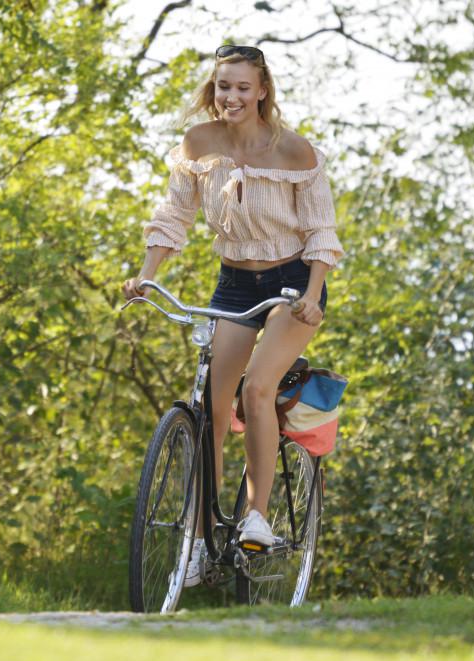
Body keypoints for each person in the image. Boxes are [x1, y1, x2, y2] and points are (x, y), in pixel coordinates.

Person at [122, 44, 344, 585]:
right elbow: (174, 213)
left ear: (262, 90)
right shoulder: (199, 143)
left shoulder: (295, 152)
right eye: (224, 86)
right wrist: (149, 275)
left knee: (257, 389)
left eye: (244, 87)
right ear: (213, 88)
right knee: (211, 409)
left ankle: (257, 517)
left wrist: (313, 294)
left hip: (292, 282)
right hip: (234, 280)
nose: (232, 97)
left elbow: (320, 232)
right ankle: (197, 542)